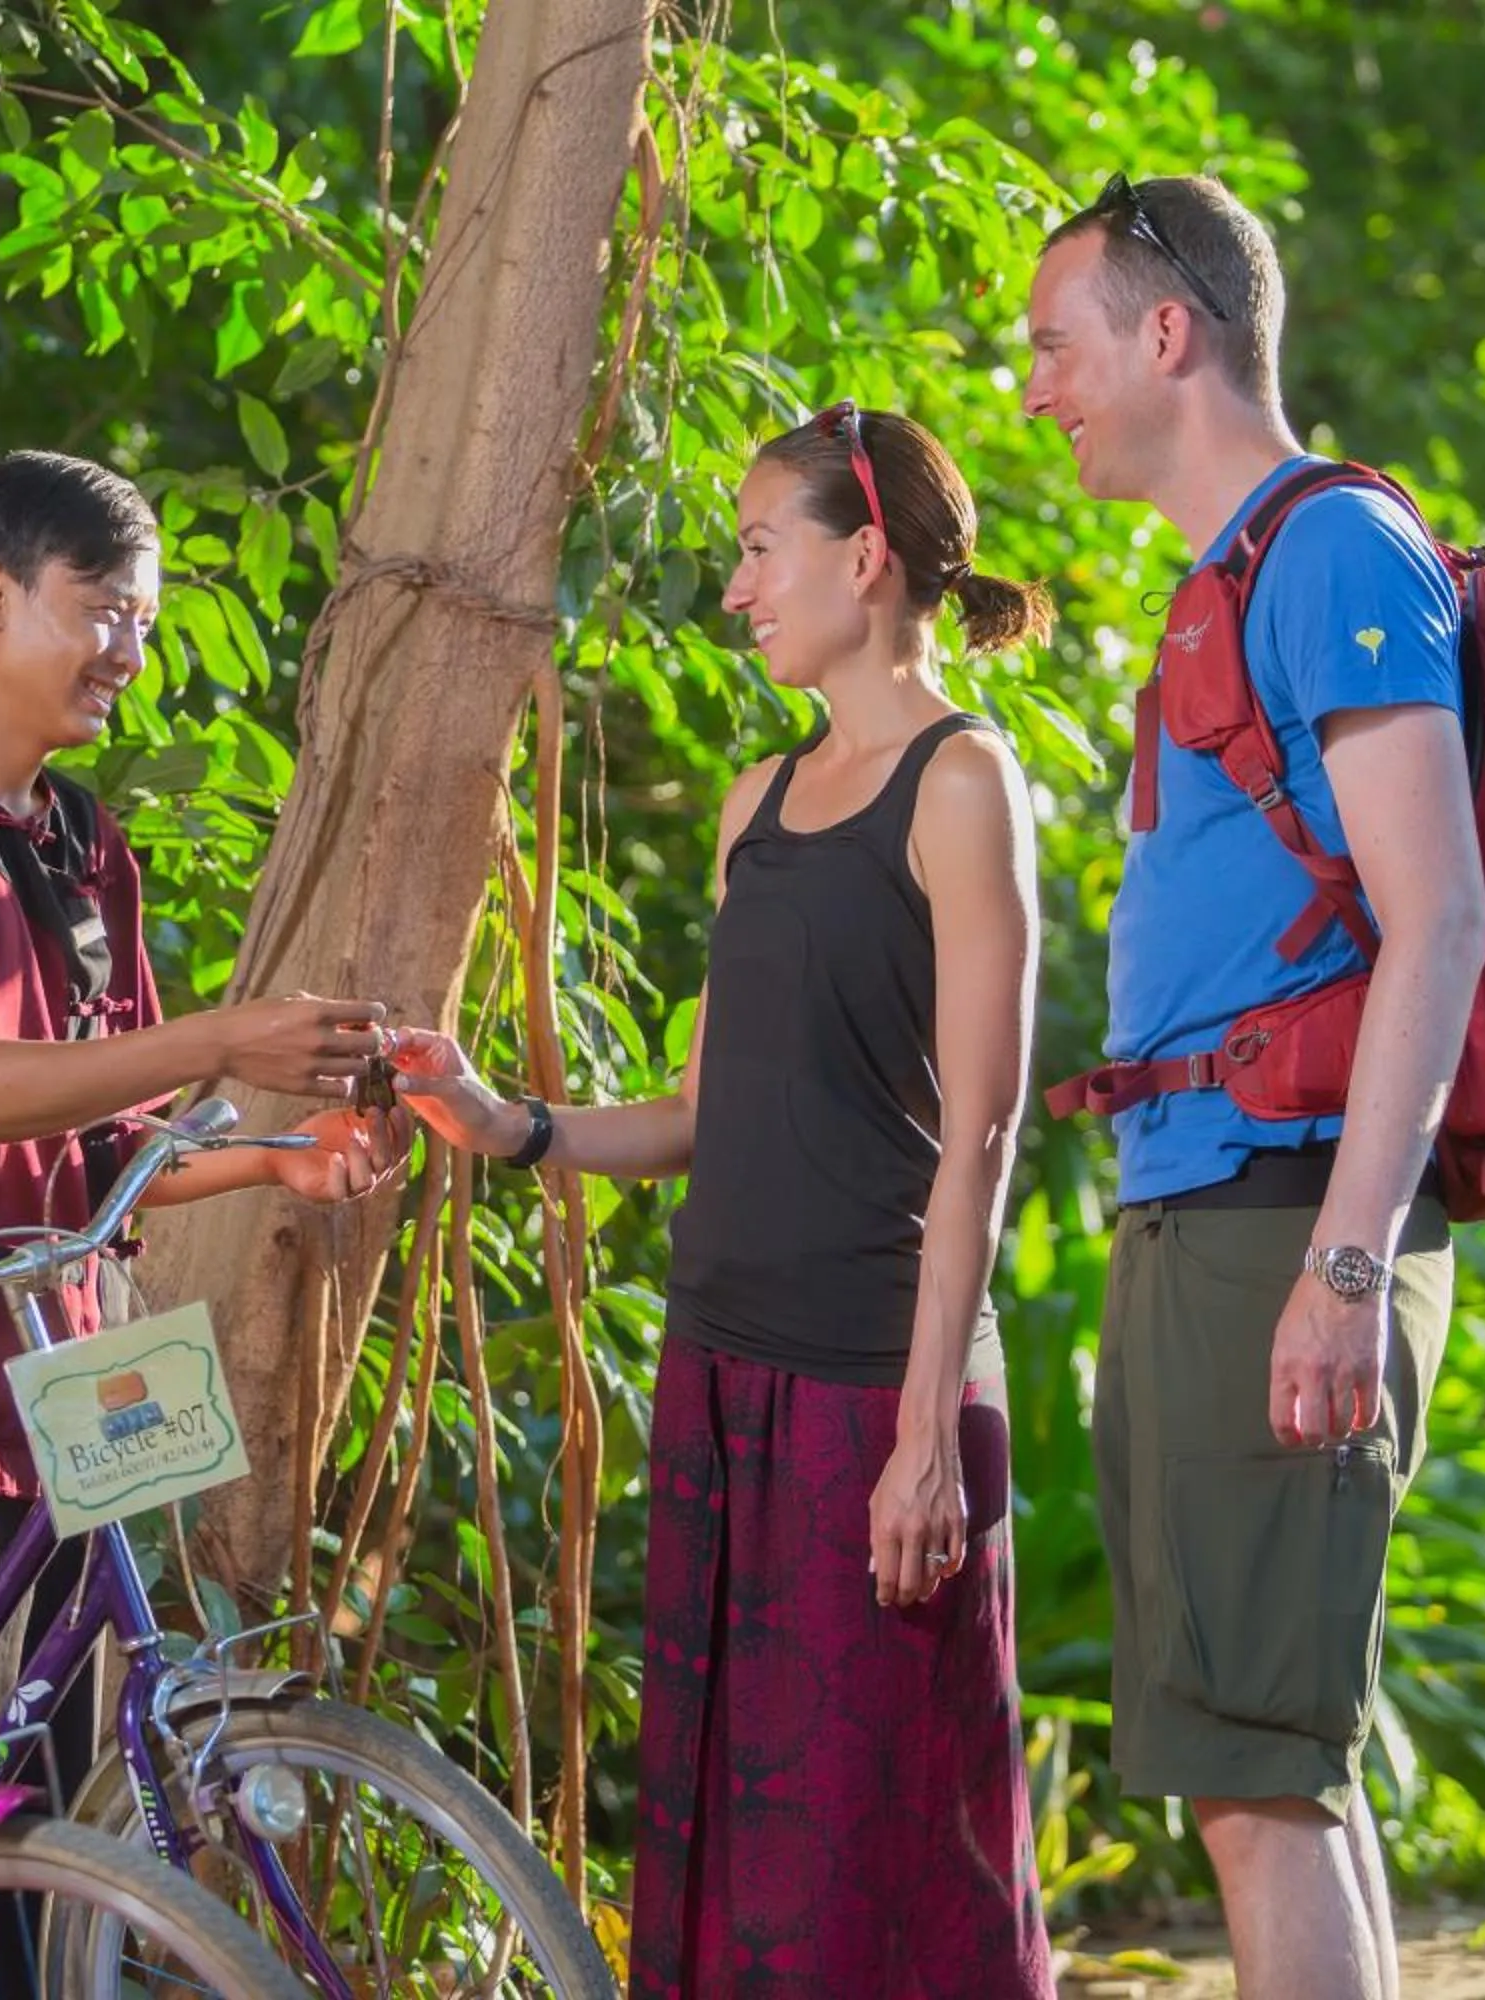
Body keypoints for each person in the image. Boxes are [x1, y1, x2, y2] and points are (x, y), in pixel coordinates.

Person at [390, 404, 1057, 1997]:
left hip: (873, 1396)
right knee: (734, 1857)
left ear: (866, 553)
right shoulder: (759, 804)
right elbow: (712, 1112)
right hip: (720, 1377)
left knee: (886, 1855)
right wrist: (512, 1123)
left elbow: (980, 1133)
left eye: (763, 549)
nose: (740, 588)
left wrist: (919, 1443)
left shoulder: (965, 783)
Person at [0, 448, 410, 1793]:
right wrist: (225, 1033)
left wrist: (280, 1157)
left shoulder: (87, 840)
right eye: (104, 609)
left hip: (56, 1413)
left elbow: (106, 1156)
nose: (128, 652)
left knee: (48, 1837)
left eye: (146, 626)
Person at [1023, 174, 1485, 2000]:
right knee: (1271, 1763)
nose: (1036, 385)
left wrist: (1350, 1266)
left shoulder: (1331, 557)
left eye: (1055, 344)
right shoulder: (1229, 580)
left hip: (1287, 1216)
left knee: (1249, 1778)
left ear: (1168, 332)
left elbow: (1436, 918)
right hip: (1214, 1207)